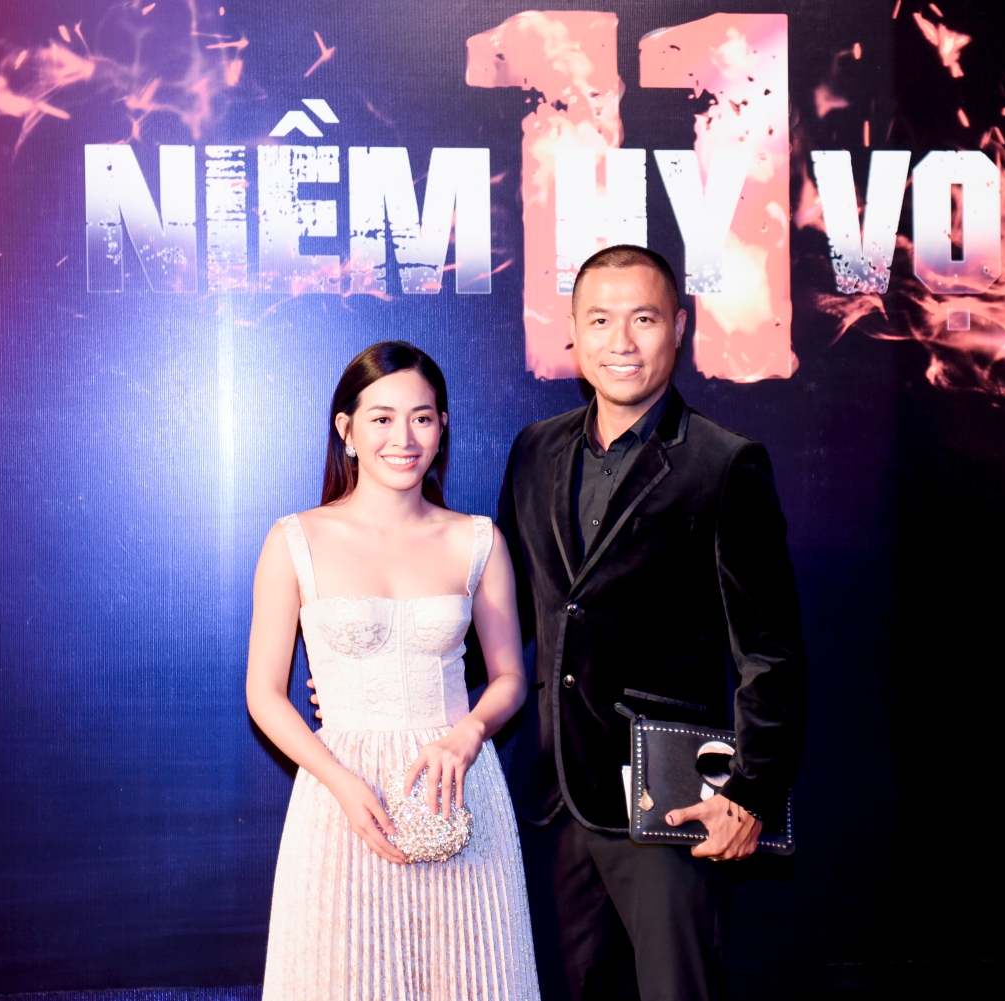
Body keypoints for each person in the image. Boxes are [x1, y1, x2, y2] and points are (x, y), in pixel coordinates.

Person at [496, 246, 809, 1000]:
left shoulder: (725, 464)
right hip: (551, 800)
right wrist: (400, 683)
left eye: (643, 319)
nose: (622, 342)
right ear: (574, 331)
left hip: (666, 804)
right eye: (600, 320)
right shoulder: (535, 450)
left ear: (679, 326)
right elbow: (507, 617)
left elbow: (770, 656)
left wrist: (750, 792)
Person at [246, 341, 539, 1000]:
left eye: (422, 418)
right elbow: (264, 694)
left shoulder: (478, 540)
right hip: (341, 793)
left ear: (442, 428)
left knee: (470, 977)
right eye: (381, 418)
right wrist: (338, 781)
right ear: (347, 431)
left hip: (456, 787)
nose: (403, 438)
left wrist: (469, 734)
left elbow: (509, 677)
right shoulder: (295, 540)